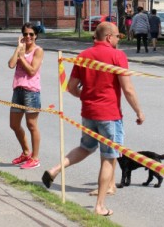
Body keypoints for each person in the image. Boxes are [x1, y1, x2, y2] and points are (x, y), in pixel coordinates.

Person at [41, 22, 145, 217]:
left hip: (88, 112)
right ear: (109, 37)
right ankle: (100, 205)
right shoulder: (117, 56)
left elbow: (71, 87)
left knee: (86, 147)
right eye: (117, 37)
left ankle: (55, 169)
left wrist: (88, 96)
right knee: (109, 157)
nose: (117, 40)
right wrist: (139, 112)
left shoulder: (83, 56)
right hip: (110, 114)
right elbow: (128, 88)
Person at [7, 23, 44, 170]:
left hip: (31, 91)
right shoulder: (21, 49)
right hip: (18, 90)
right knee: (14, 125)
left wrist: (22, 58)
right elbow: (10, 64)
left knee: (32, 125)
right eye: (25, 34)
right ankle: (26, 152)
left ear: (35, 36)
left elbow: (32, 71)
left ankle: (35, 158)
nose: (28, 37)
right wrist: (18, 49)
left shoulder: (38, 51)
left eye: (31, 34)